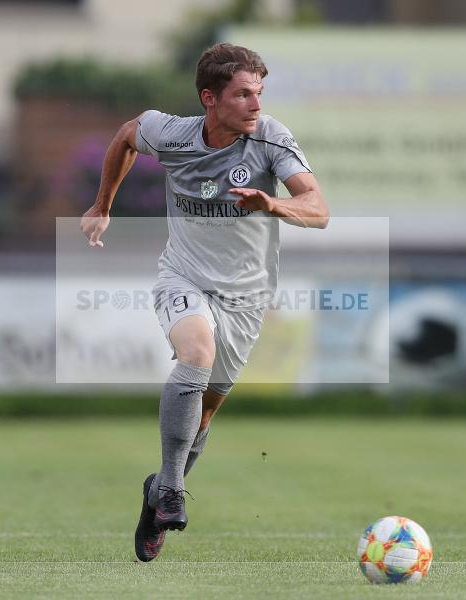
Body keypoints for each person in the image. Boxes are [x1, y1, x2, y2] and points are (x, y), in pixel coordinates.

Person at [79, 43, 329, 561]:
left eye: (259, 93)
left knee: (204, 415)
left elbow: (319, 210)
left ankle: (157, 496)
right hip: (184, 276)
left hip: (247, 295)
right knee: (196, 353)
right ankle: (171, 488)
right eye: (243, 94)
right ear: (209, 99)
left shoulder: (270, 139)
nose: (256, 105)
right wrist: (103, 205)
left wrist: (273, 203)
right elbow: (127, 135)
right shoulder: (172, 133)